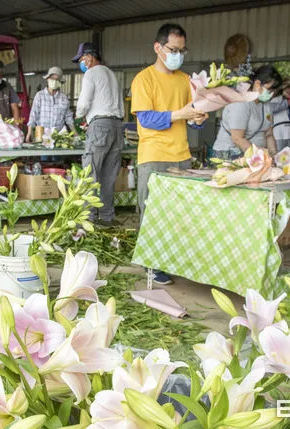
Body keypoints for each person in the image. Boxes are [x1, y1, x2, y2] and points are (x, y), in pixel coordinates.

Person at [131, 23, 207, 285]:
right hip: (154, 155)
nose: (177, 54)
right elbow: (146, 118)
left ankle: (173, 260)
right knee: (152, 211)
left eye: (182, 50)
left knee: (178, 213)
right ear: (158, 47)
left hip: (182, 154)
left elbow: (194, 114)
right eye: (173, 49)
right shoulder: (144, 79)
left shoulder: (186, 80)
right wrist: (181, 114)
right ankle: (151, 264)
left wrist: (198, 118)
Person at [73, 43, 124, 225]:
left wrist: (80, 116)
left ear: (89, 57)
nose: (81, 64)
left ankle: (88, 219)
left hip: (100, 126)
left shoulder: (91, 73)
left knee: (91, 173)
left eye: (81, 60)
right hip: (117, 126)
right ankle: (107, 217)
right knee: (109, 176)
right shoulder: (111, 74)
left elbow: (84, 103)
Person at [212, 65, 281, 160]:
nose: (272, 94)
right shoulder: (241, 102)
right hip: (230, 155)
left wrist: (274, 156)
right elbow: (237, 139)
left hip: (255, 155)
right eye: (269, 90)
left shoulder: (266, 106)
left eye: (274, 91)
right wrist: (260, 156)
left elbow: (268, 134)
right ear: (257, 84)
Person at [26, 66, 75, 142]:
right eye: (52, 78)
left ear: (60, 82)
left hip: (59, 137)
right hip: (42, 136)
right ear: (47, 79)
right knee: (44, 154)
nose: (54, 81)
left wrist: (75, 133)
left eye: (57, 79)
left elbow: (68, 117)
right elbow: (33, 115)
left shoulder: (64, 98)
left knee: (58, 153)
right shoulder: (40, 96)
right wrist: (29, 132)